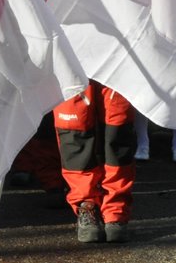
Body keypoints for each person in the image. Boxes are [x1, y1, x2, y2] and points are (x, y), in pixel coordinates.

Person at [54, 83, 137, 244]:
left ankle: (115, 212)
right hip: (72, 66)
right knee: (74, 134)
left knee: (118, 133)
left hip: (117, 66)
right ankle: (87, 206)